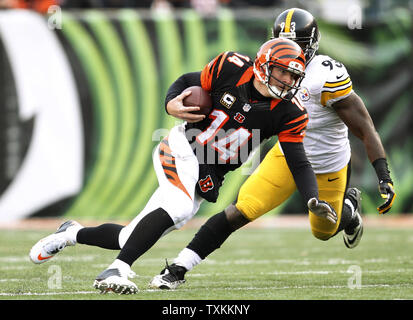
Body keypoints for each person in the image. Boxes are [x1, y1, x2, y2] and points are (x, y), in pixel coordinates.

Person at [29, 37, 336, 294]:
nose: (289, 81)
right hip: (183, 146)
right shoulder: (231, 67)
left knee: (129, 237)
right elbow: (189, 82)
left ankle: (70, 234)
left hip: (210, 170)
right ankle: (115, 271)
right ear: (263, 65)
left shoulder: (291, 112)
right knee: (178, 206)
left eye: (294, 76)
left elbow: (298, 160)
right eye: (282, 72)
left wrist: (313, 198)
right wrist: (171, 102)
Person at [149, 8, 397, 290]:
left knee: (323, 231)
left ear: (313, 44)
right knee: (242, 209)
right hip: (289, 153)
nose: (292, 52)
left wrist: (383, 174)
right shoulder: (269, 66)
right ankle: (179, 268)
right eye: (284, 43)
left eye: (299, 46)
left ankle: (349, 209)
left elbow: (365, 127)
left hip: (328, 164)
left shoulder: (326, 76)